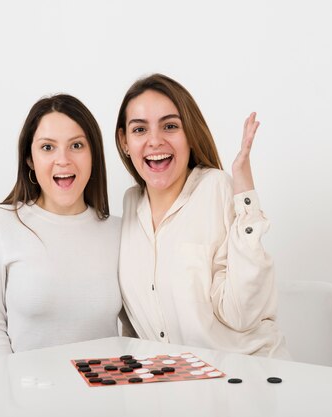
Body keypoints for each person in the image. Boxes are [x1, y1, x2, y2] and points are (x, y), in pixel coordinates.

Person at [115, 74, 289, 358]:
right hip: (174, 387)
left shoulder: (217, 188)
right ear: (124, 141)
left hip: (247, 377)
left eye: (170, 126)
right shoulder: (130, 204)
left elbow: (243, 314)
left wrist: (244, 191)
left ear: (190, 135)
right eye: (139, 130)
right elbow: (135, 325)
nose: (155, 141)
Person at [0, 94, 125, 357]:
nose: (63, 159)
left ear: (93, 155)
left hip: (104, 395)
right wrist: (9, 390)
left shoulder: (120, 232)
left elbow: (135, 329)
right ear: (29, 159)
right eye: (47, 147)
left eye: (77, 145)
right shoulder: (0, 224)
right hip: (25, 392)